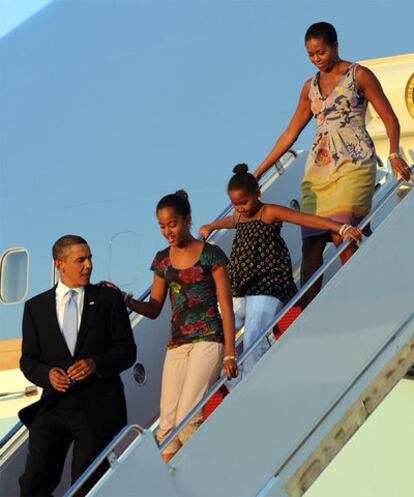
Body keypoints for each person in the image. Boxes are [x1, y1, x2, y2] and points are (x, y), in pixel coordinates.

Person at [254, 21, 411, 308]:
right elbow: (290, 133)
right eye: (311, 55)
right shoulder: (309, 87)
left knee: (345, 231)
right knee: (312, 242)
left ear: (336, 46)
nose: (317, 59)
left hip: (355, 163)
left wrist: (393, 153)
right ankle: (308, 313)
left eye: (321, 52)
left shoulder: (359, 74)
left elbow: (389, 116)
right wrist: (258, 173)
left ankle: (364, 298)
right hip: (318, 170)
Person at [199, 164, 362, 378]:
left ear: (257, 193)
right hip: (241, 284)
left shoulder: (268, 212)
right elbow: (229, 221)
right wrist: (211, 226)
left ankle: (257, 379)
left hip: (267, 282)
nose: (240, 208)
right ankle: (226, 380)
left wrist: (341, 228)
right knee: (217, 329)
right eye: (235, 204)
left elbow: (306, 219)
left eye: (244, 202)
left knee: (253, 337)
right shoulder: (239, 216)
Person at [123, 190, 238, 463]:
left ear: (187, 220)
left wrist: (230, 352)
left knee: (189, 417)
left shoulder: (212, 255)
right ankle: (172, 483)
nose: (167, 232)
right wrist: (125, 300)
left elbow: (227, 306)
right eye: (162, 226)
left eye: (172, 224)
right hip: (177, 343)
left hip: (209, 338)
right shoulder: (162, 260)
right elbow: (153, 309)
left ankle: (206, 473)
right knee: (167, 426)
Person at [18, 235, 137, 497]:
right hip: (54, 407)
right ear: (60, 264)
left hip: (98, 407)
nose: (89, 265)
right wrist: (48, 375)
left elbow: (127, 351)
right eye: (80, 260)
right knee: (32, 483)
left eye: (90, 258)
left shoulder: (108, 299)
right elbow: (28, 360)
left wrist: (95, 364)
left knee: (87, 485)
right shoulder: (35, 308)